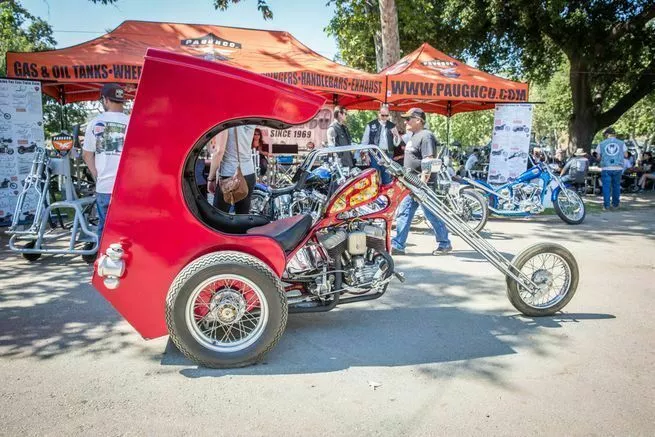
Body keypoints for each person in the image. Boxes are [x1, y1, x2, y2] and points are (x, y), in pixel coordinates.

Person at [391, 108, 452, 255]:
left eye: (409, 119)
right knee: (404, 213)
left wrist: (423, 182)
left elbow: (428, 160)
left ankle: (445, 243)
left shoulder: (426, 136)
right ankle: (398, 244)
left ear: (419, 120)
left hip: (422, 184)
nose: (406, 121)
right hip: (411, 184)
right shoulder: (413, 136)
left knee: (431, 214)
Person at [82, 83, 130, 241]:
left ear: (105, 100)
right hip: (128, 187)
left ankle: (103, 263)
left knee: (105, 230)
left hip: (105, 186)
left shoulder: (94, 123)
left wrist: (97, 177)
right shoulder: (133, 122)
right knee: (126, 230)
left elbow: (87, 155)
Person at [207, 125, 257, 214]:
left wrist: (211, 178)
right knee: (243, 217)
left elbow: (219, 152)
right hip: (249, 173)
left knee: (219, 216)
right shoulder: (250, 119)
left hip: (229, 175)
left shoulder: (227, 122)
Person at [361, 104, 401, 184]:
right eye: (383, 115)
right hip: (374, 154)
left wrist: (396, 135)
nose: (385, 118)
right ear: (378, 114)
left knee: (387, 178)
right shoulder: (371, 125)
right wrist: (366, 154)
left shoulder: (392, 126)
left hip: (387, 154)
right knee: (374, 178)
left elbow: (396, 143)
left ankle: (385, 196)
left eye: (387, 115)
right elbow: (365, 141)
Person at [595, 127, 626, 210]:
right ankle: (615, 204)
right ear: (614, 134)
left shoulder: (601, 144)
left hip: (606, 167)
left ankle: (606, 205)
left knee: (606, 187)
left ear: (606, 134)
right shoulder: (621, 143)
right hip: (618, 167)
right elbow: (626, 155)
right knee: (616, 186)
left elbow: (598, 157)